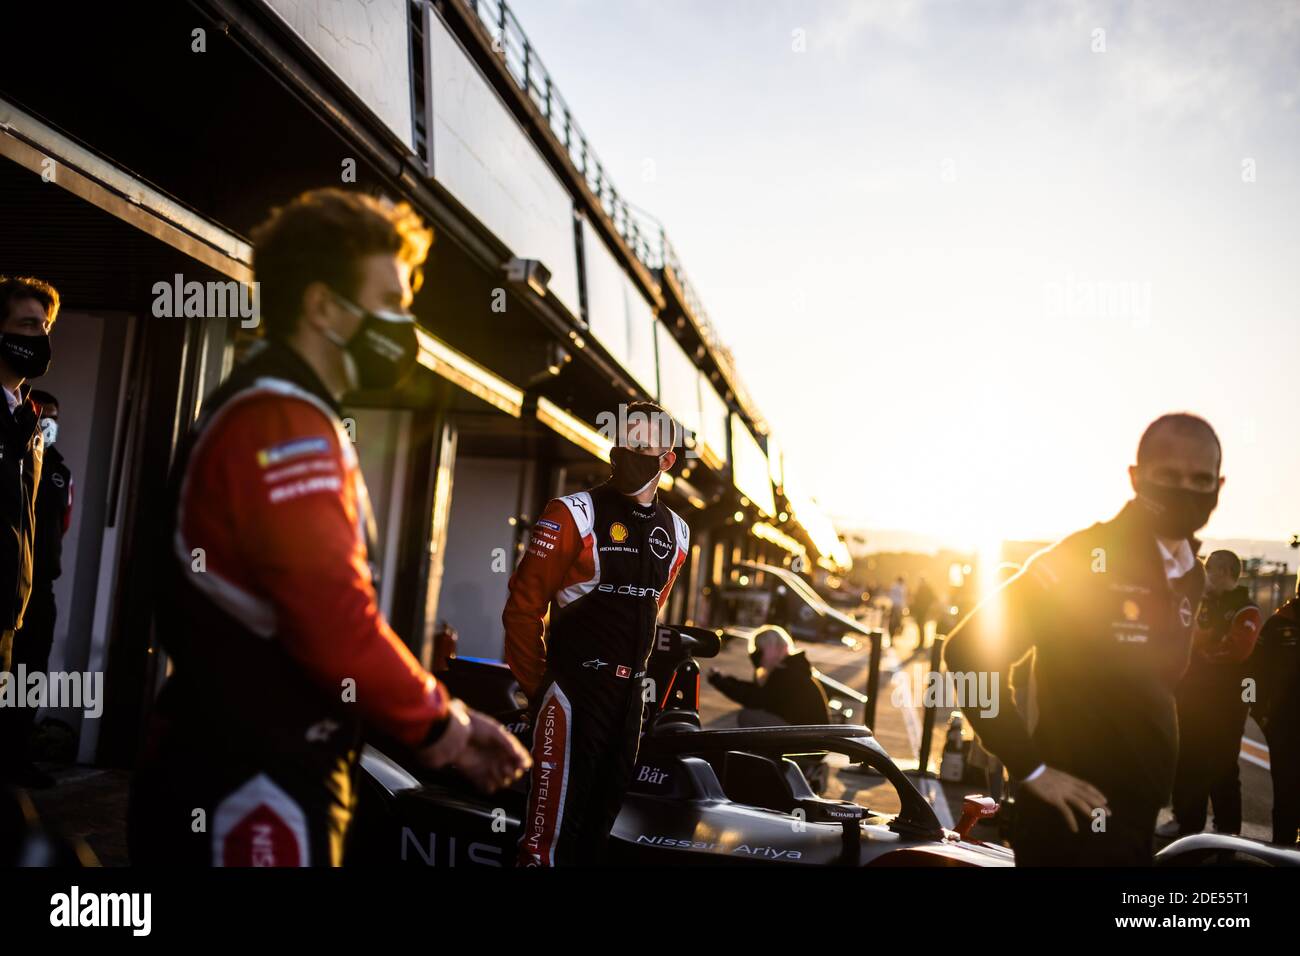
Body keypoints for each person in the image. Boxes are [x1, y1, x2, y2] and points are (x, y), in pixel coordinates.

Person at [128, 189, 529, 866]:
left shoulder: (279, 408)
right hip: (250, 777)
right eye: (392, 301)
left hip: (247, 762)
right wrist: (445, 726)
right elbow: (332, 619)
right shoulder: (281, 421)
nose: (405, 323)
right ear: (321, 306)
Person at [944, 413, 1220, 866]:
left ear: (1218, 485)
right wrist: (1029, 766)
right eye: (1169, 476)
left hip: (1135, 816)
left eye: (1200, 479)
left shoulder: (1191, 572)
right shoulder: (1083, 558)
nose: (1185, 489)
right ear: (1136, 478)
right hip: (1068, 824)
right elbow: (968, 650)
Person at [503, 401, 689, 866]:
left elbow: (648, 610)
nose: (631, 450)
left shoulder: (679, 534)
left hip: (630, 699)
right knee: (547, 840)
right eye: (626, 440)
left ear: (667, 459)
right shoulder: (572, 513)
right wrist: (540, 688)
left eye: (645, 445)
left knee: (596, 835)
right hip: (573, 691)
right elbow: (523, 610)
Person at [0, 390, 73, 789]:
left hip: (41, 588)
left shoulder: (61, 471)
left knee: (30, 677)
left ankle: (16, 756)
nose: (48, 421)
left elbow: (63, 524)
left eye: (54, 416)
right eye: (42, 414)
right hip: (7, 583)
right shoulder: (12, 455)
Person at [0, 276, 57, 786]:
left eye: (43, 326)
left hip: (7, 612)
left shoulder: (30, 421)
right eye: (25, 324)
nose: (38, 336)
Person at [1162, 550, 1260, 837]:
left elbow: (1237, 650)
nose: (1205, 575)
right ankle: (1186, 821)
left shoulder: (1246, 608)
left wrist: (1202, 649)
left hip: (1227, 702)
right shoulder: (1198, 604)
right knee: (1186, 758)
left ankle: (1227, 830)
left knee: (1223, 764)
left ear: (1227, 572)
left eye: (1210, 569)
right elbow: (1184, 638)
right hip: (1190, 696)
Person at [1251, 581, 1300, 845]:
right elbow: (1253, 672)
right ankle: (1283, 849)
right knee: (1286, 791)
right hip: (1284, 726)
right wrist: (1259, 713)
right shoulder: (1279, 623)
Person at [707, 625, 829, 727]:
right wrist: (723, 680)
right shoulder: (790, 668)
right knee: (752, 716)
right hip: (809, 738)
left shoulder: (787, 674)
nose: (756, 654)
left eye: (760, 649)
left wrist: (721, 682)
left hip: (809, 743)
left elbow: (754, 698)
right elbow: (757, 693)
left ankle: (765, 755)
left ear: (774, 649)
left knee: (748, 716)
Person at [911, 576, 937, 647]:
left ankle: (921, 642)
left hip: (922, 610)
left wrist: (927, 606)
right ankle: (921, 642)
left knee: (921, 625)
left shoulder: (925, 589)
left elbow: (933, 598)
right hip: (921, 610)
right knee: (920, 626)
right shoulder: (922, 588)